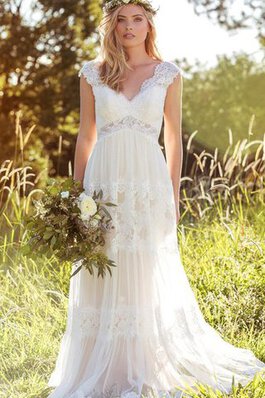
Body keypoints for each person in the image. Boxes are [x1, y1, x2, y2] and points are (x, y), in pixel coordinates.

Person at [47, 1, 265, 397]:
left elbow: (173, 137)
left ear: (149, 25)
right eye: (121, 20)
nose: (129, 27)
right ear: (111, 27)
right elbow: (85, 136)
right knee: (104, 262)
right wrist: (75, 197)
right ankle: (102, 361)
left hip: (146, 183)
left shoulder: (167, 74)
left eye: (137, 19)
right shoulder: (92, 73)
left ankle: (141, 361)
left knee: (142, 264)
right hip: (103, 183)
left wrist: (173, 193)